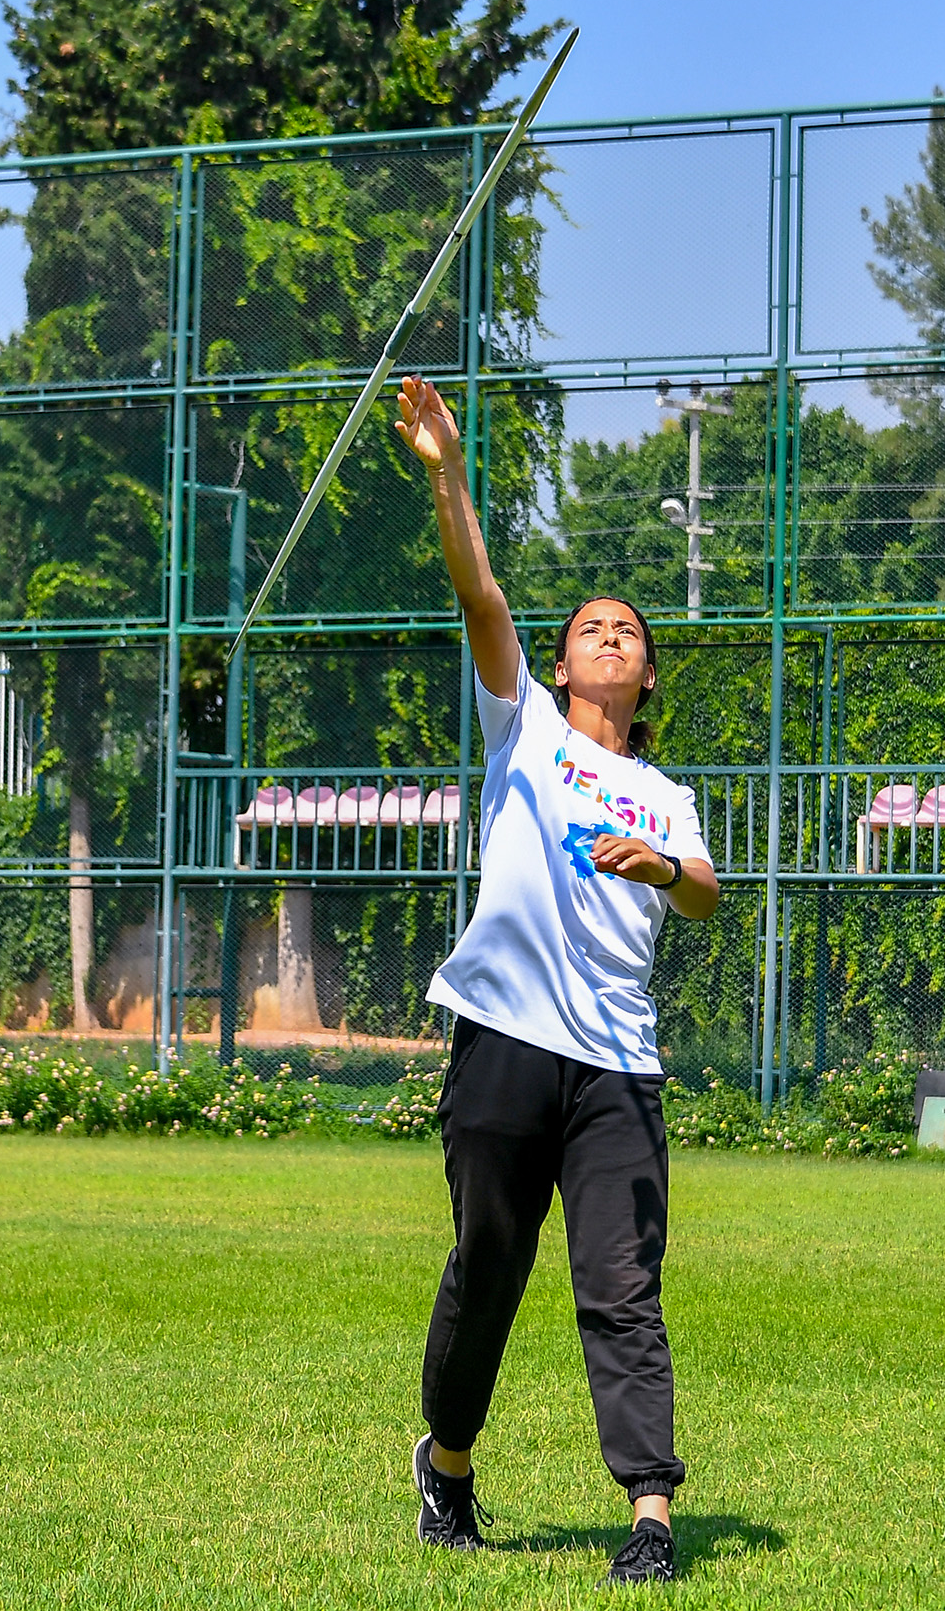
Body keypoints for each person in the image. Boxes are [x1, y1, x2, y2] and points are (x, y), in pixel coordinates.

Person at [392, 374, 720, 1587]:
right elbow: (479, 590)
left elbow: (701, 891)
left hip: (618, 1067)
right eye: (591, 625)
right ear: (566, 663)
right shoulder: (520, 726)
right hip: (504, 1040)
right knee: (489, 1265)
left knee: (621, 1285)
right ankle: (451, 1461)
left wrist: (663, 862)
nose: (610, 634)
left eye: (628, 629)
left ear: (643, 679)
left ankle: (650, 1514)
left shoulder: (669, 796)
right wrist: (447, 474)